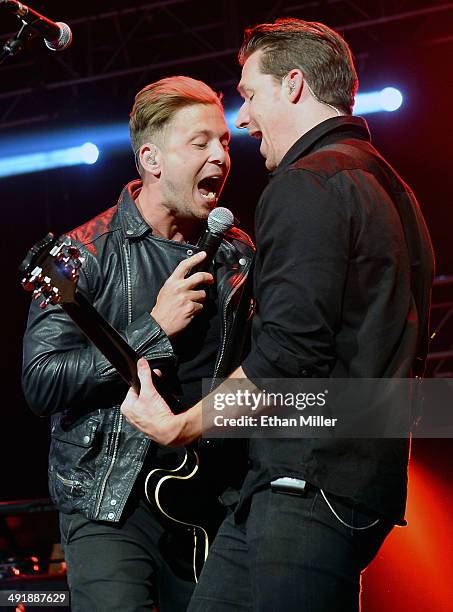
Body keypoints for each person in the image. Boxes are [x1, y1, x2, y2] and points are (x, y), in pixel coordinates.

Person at [120, 18, 435, 612]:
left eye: (249, 94)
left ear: (293, 85)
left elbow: (286, 358)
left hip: (307, 482)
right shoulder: (394, 189)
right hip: (349, 480)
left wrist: (181, 425)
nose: (242, 119)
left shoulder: (306, 184)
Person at [22, 75, 254, 612]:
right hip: (109, 502)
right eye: (200, 143)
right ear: (151, 159)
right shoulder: (81, 252)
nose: (220, 154)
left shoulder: (236, 254)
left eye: (223, 141)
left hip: (209, 502)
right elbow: (40, 380)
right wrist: (153, 327)